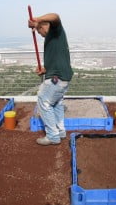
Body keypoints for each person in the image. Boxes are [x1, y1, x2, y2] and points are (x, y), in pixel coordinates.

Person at [28, 12, 73, 146]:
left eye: (38, 30)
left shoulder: (55, 31)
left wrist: (37, 20)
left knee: (44, 101)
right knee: (57, 103)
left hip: (57, 78)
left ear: (42, 27)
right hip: (61, 77)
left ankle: (53, 136)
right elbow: (55, 61)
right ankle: (60, 131)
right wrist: (44, 70)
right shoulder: (52, 39)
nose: (39, 34)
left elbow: (55, 16)